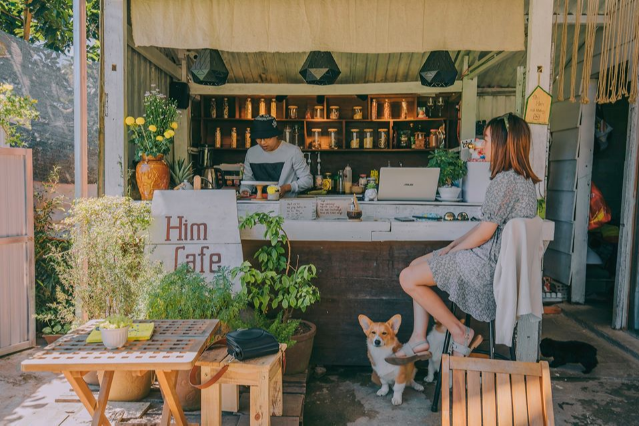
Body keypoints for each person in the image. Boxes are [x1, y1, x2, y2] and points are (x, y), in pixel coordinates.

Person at [385, 113, 540, 364]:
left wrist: (454, 251)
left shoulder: (505, 181)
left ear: (503, 143)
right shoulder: (521, 180)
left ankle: (460, 332)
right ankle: (419, 338)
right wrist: (453, 246)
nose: (482, 145)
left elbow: (485, 233)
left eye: (487, 139)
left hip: (484, 267)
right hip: (491, 262)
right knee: (415, 266)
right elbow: (485, 227)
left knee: (407, 277)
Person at [239, 115, 312, 197]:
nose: (262, 142)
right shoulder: (251, 153)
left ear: (276, 135)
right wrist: (245, 190)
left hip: (287, 203)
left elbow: (308, 180)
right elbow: (247, 179)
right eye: (258, 138)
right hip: (260, 203)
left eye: (268, 137)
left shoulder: (293, 151)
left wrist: (286, 188)